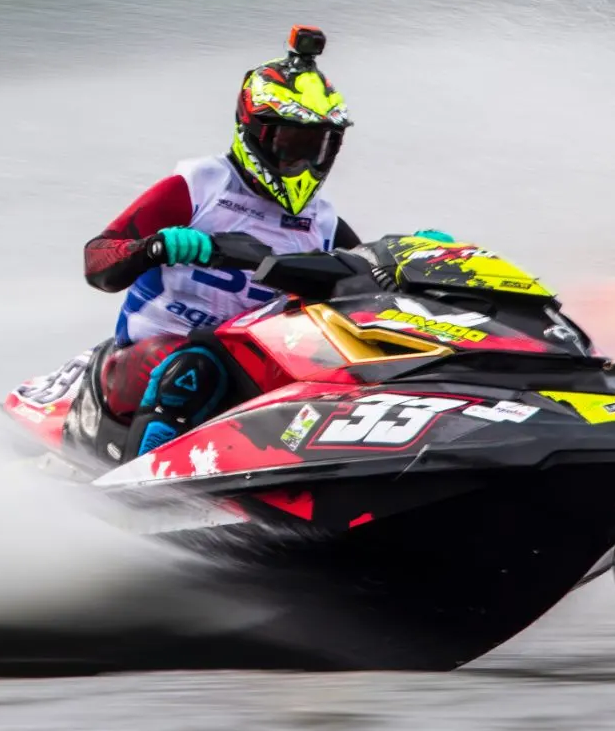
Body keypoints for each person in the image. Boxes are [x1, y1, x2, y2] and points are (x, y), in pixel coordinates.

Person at [82, 24, 447, 457]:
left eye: (319, 146)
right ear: (256, 132)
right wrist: (156, 247)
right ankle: (139, 494)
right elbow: (97, 262)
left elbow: (362, 280)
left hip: (255, 360)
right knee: (199, 364)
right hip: (151, 356)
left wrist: (412, 259)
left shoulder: (322, 220)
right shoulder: (199, 185)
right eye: (292, 143)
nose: (304, 161)